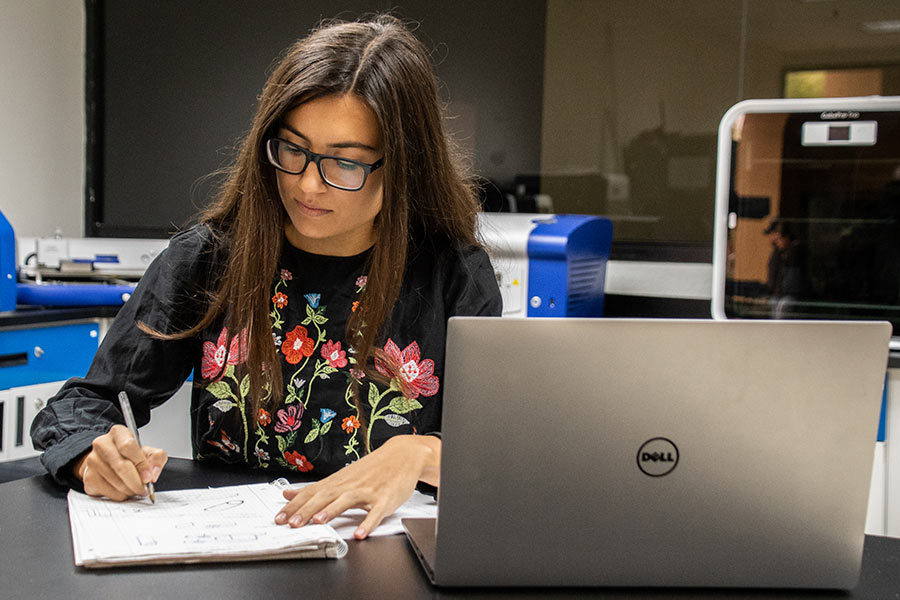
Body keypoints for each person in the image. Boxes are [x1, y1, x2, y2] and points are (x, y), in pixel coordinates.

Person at [30, 14, 502, 539]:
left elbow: (498, 455)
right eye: (293, 150)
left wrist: (422, 452)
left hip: (381, 564)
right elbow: (82, 405)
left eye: (345, 163)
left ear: (405, 167)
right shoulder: (208, 260)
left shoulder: (453, 278)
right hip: (236, 558)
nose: (307, 186)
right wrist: (92, 458)